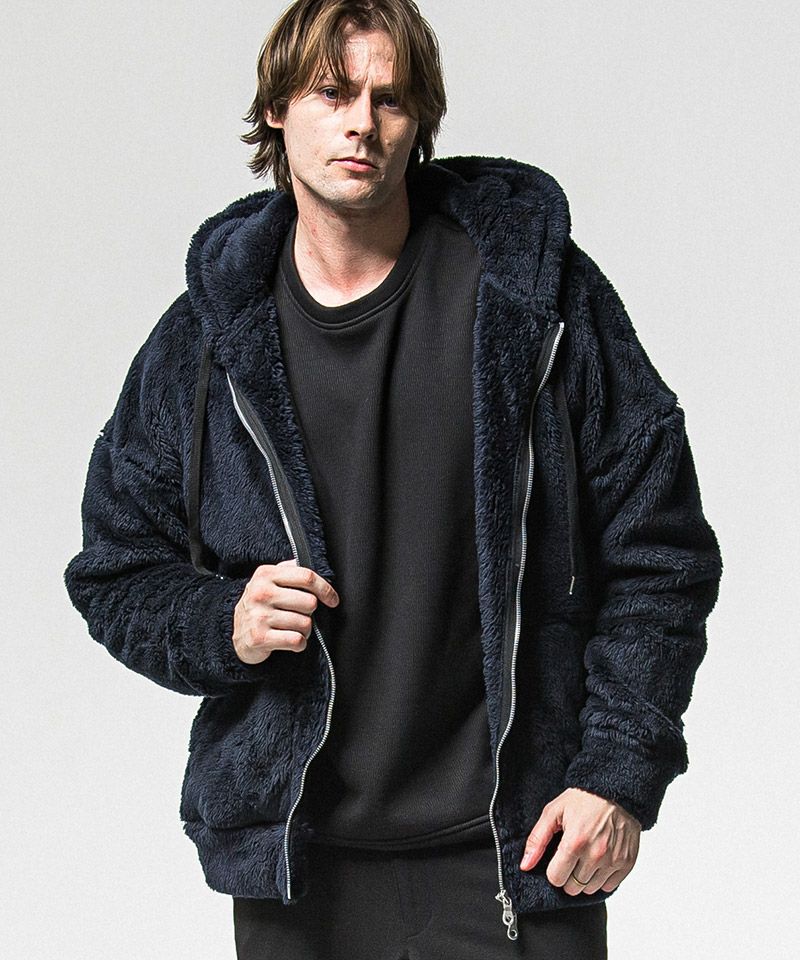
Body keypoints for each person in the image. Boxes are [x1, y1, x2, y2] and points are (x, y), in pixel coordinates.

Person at [64, 1, 722, 957]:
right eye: (333, 94)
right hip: (302, 866)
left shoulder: (531, 300)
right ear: (278, 109)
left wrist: (616, 774)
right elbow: (115, 570)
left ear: (421, 121)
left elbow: (660, 550)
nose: (362, 125)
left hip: (519, 848)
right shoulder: (207, 340)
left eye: (390, 98)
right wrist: (223, 623)